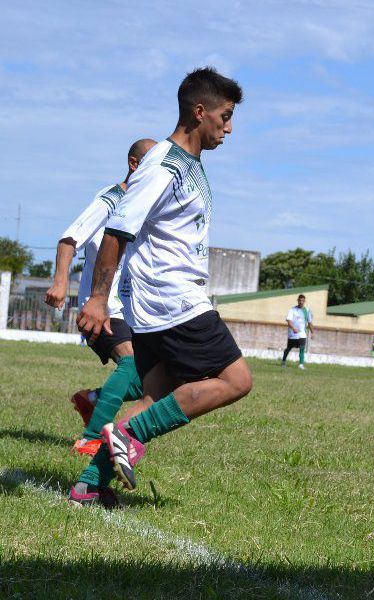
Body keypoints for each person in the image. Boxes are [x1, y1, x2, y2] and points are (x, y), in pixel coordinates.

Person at [78, 67, 252, 494]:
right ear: (199, 112)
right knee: (236, 380)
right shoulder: (163, 167)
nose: (229, 127)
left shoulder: (188, 164)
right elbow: (118, 229)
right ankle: (129, 438)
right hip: (172, 300)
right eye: (224, 116)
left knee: (154, 396)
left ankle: (88, 487)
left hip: (161, 302)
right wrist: (98, 299)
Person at [45, 138, 156, 507]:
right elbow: (68, 239)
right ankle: (94, 438)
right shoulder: (111, 199)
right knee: (131, 364)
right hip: (103, 308)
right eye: (151, 161)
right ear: (134, 163)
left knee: (153, 379)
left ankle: (94, 399)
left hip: (132, 311)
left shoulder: (143, 206)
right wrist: (61, 282)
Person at [282, 294, 312, 369]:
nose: (301, 302)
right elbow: (289, 321)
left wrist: (312, 332)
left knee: (302, 348)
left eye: (302, 300)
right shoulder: (292, 310)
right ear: (297, 300)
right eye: (299, 300)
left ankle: (301, 364)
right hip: (293, 334)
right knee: (288, 348)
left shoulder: (307, 310)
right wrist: (293, 328)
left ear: (304, 301)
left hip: (302, 334)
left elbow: (310, 322)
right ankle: (283, 361)